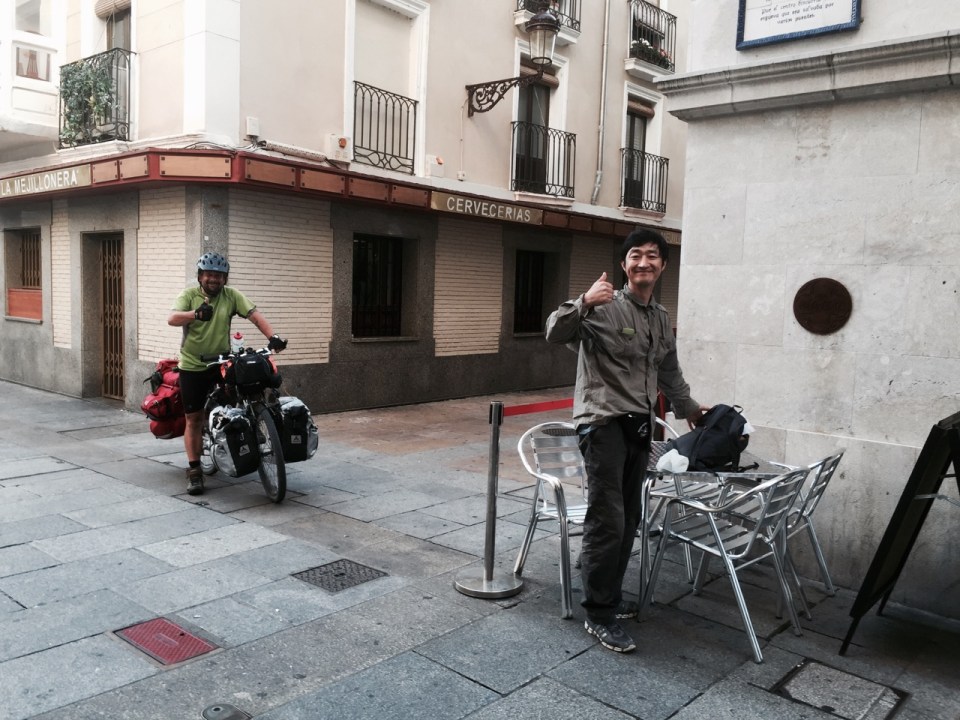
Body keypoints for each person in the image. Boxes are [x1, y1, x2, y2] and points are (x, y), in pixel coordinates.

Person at [545, 228, 707, 653]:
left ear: (663, 265)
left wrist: (690, 408)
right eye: (636, 255)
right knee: (609, 518)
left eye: (652, 255)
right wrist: (583, 302)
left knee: (630, 517)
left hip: (639, 425)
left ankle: (608, 595)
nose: (643, 262)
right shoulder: (603, 307)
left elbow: (669, 370)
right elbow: (554, 332)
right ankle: (599, 613)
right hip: (603, 424)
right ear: (624, 264)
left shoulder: (660, 318)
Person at [168, 252, 287, 496]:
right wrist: (195, 314)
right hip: (193, 365)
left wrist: (273, 337)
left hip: (222, 361)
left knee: (245, 395)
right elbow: (172, 318)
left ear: (225, 278)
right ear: (200, 276)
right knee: (194, 419)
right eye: (209, 274)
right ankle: (195, 471)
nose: (214, 279)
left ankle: (246, 433)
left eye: (219, 275)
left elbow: (255, 316)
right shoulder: (189, 295)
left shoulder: (231, 295)